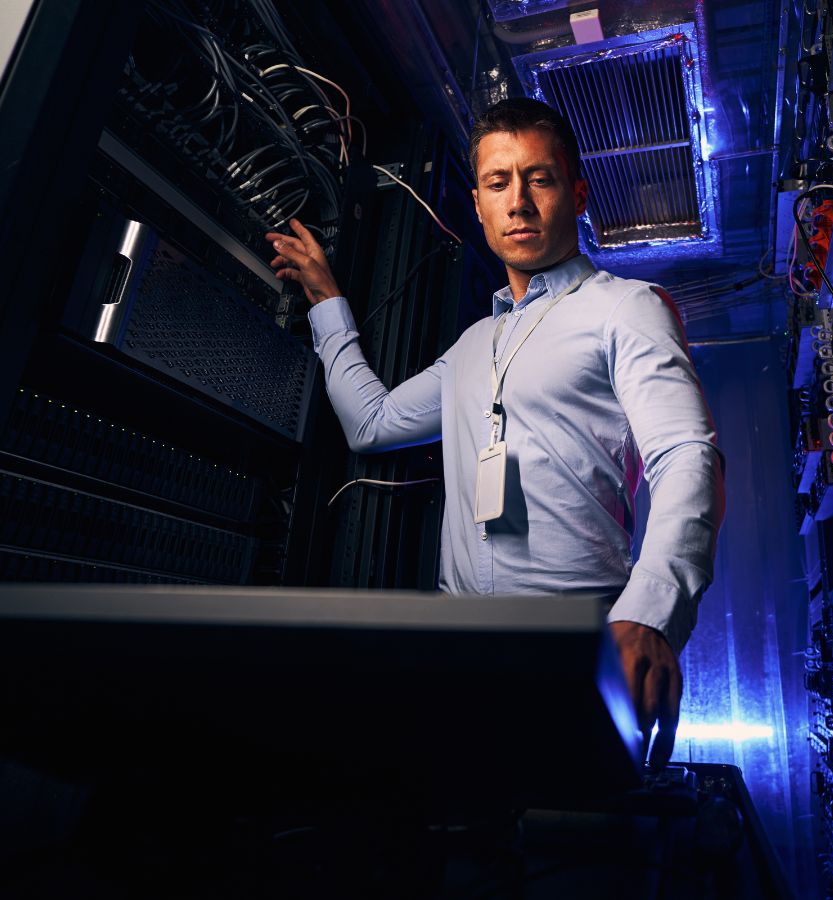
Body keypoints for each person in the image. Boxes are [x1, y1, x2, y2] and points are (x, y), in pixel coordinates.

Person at [266, 98, 724, 769]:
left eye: (538, 179)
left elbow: (687, 454)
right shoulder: (475, 345)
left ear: (577, 193)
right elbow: (372, 422)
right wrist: (329, 305)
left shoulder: (625, 308)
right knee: (460, 861)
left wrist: (652, 614)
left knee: (570, 859)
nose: (518, 203)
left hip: (579, 648)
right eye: (497, 183)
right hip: (459, 654)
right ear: (477, 204)